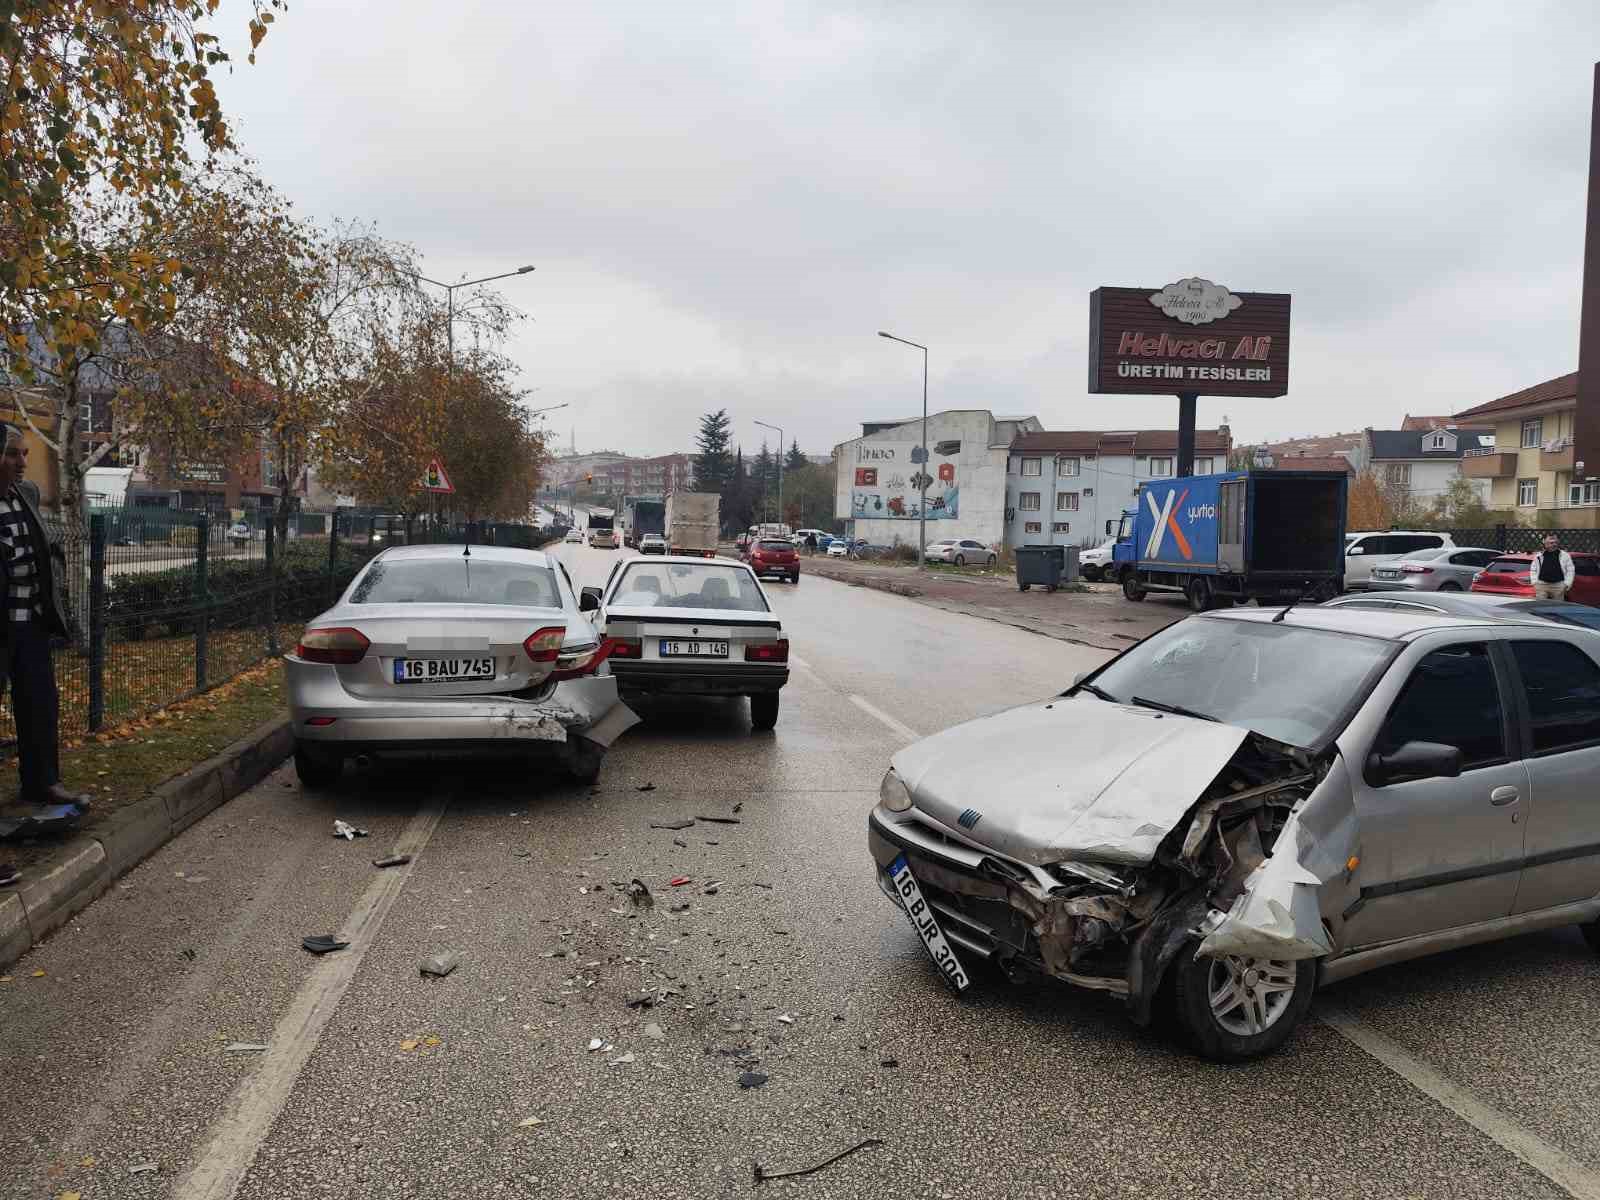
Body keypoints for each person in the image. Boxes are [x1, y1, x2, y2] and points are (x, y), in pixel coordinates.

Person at [0, 423, 89, 815]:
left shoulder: (27, 495)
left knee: (39, 705)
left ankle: (43, 783)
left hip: (31, 626)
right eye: (13, 454)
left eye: (23, 454)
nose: (22, 462)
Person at [1530, 533, 1575, 601]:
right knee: (1541, 607)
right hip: (1542, 585)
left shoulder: (1565, 555)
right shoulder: (1539, 555)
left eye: (1555, 542)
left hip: (1558, 585)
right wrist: (1535, 582)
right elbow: (1533, 570)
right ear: (1545, 542)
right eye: (1551, 542)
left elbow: (1570, 570)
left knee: (1557, 608)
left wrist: (1566, 584)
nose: (1554, 544)